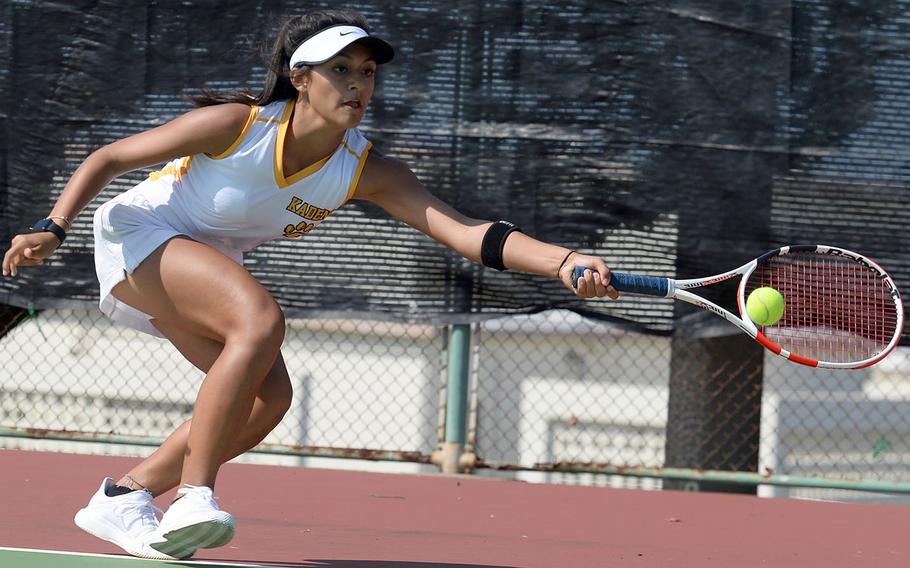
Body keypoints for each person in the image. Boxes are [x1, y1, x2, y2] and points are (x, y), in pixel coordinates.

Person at [1, 8, 618, 561]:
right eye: (341, 69)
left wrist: (563, 262)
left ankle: (122, 496)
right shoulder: (237, 126)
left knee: (269, 398)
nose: (358, 84)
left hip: (205, 257)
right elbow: (109, 156)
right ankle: (194, 496)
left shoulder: (363, 170)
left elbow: (466, 232)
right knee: (259, 321)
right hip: (139, 231)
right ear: (300, 79)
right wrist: (52, 227)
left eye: (368, 72)